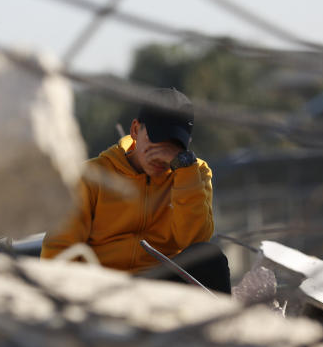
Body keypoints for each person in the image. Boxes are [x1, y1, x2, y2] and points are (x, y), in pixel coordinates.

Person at [41, 88, 231, 293]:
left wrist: (184, 169)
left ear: (187, 145)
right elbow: (60, 249)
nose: (162, 154)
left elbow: (195, 242)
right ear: (134, 130)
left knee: (210, 257)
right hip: (102, 287)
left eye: (174, 146)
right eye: (155, 140)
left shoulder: (195, 172)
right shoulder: (90, 176)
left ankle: (224, 324)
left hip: (161, 283)